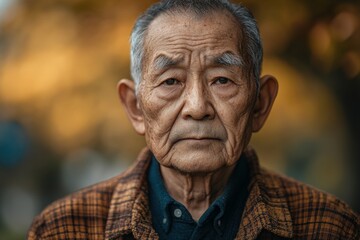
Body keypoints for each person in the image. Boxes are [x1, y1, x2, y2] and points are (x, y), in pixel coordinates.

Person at [28, 0, 359, 239]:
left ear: (260, 104)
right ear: (135, 107)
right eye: (171, 81)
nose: (197, 107)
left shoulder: (329, 226)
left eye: (222, 80)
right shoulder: (64, 228)